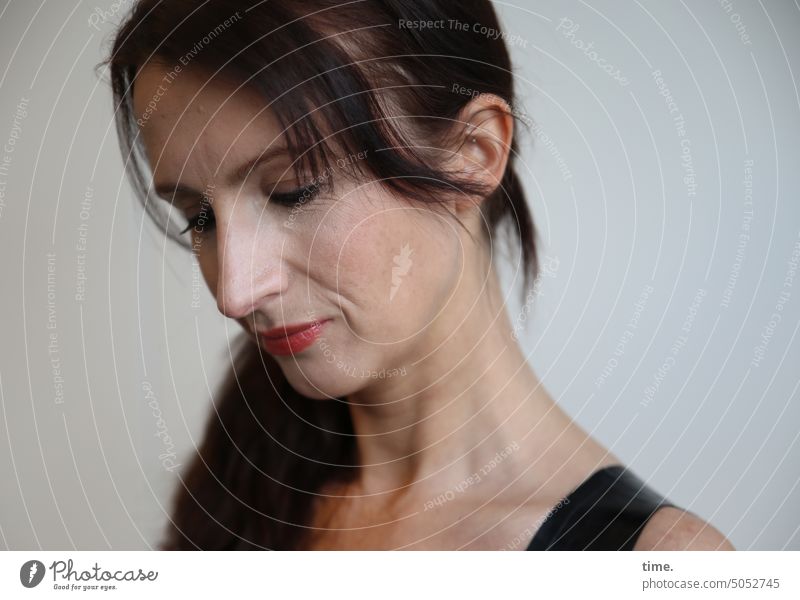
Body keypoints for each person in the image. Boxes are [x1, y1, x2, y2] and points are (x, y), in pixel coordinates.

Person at [102, 0, 734, 550]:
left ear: (472, 156)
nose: (235, 291)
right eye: (199, 217)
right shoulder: (245, 481)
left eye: (293, 192)